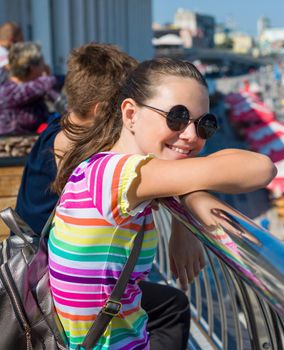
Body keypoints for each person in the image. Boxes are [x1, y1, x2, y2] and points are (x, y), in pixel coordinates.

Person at [48, 57, 276, 349]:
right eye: (177, 117)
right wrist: (189, 190)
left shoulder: (103, 168)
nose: (191, 135)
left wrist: (186, 194)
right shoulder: (119, 175)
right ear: (130, 114)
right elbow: (261, 168)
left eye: (204, 124)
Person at [16, 45, 200, 350]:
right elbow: (163, 176)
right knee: (173, 305)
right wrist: (186, 219)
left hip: (38, 270)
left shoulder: (58, 130)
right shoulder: (79, 151)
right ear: (105, 111)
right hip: (47, 285)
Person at [0, 42, 59, 135]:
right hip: (12, 146)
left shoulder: (33, 88)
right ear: (32, 68)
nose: (45, 66)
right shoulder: (9, 91)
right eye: (42, 63)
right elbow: (46, 83)